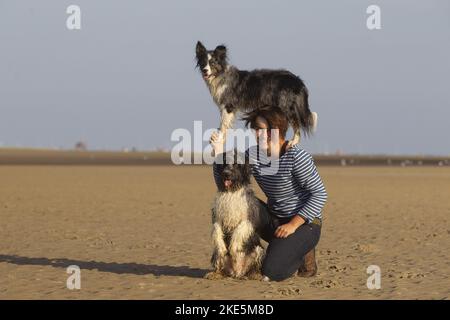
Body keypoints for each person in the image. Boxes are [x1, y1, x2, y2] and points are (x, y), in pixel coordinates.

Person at [210, 107, 328, 281]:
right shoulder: (253, 154)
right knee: (235, 204)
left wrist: (293, 225)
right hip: (273, 219)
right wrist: (218, 152)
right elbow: (227, 182)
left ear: (277, 130)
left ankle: (300, 249)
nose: (258, 134)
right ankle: (235, 258)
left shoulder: (297, 156)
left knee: (271, 271)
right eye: (255, 130)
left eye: (262, 130)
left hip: (304, 223)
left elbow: (320, 194)